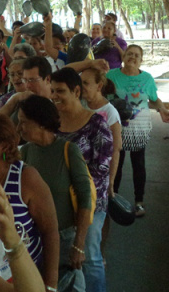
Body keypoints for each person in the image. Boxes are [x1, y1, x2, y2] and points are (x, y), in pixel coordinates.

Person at [0, 113, 59, 290]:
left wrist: (50, 284)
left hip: (27, 278)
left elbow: (50, 232)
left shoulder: (26, 178)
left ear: (5, 146)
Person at [18, 95, 94, 292]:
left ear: (41, 123)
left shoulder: (68, 151)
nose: (19, 128)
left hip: (65, 237)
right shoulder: (25, 152)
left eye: (24, 122)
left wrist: (79, 244)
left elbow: (85, 198)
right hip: (35, 239)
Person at [51, 68, 113, 292]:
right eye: (52, 91)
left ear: (76, 91)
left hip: (91, 204)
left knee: (89, 255)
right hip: (59, 203)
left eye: (60, 91)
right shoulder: (51, 123)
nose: (54, 96)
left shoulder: (96, 124)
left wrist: (73, 192)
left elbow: (101, 171)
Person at [106, 45, 169, 217]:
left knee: (139, 165)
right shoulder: (111, 76)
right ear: (123, 56)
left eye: (136, 55)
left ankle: (139, 201)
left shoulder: (147, 79)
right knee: (116, 165)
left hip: (140, 128)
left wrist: (162, 109)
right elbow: (103, 98)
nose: (132, 57)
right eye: (129, 54)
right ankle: (114, 199)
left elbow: (154, 100)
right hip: (116, 127)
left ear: (141, 60)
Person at [80, 68, 122, 197]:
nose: (81, 87)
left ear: (99, 86)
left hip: (99, 176)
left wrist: (111, 181)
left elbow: (115, 149)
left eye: (86, 83)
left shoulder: (110, 113)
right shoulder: (79, 104)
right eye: (80, 82)